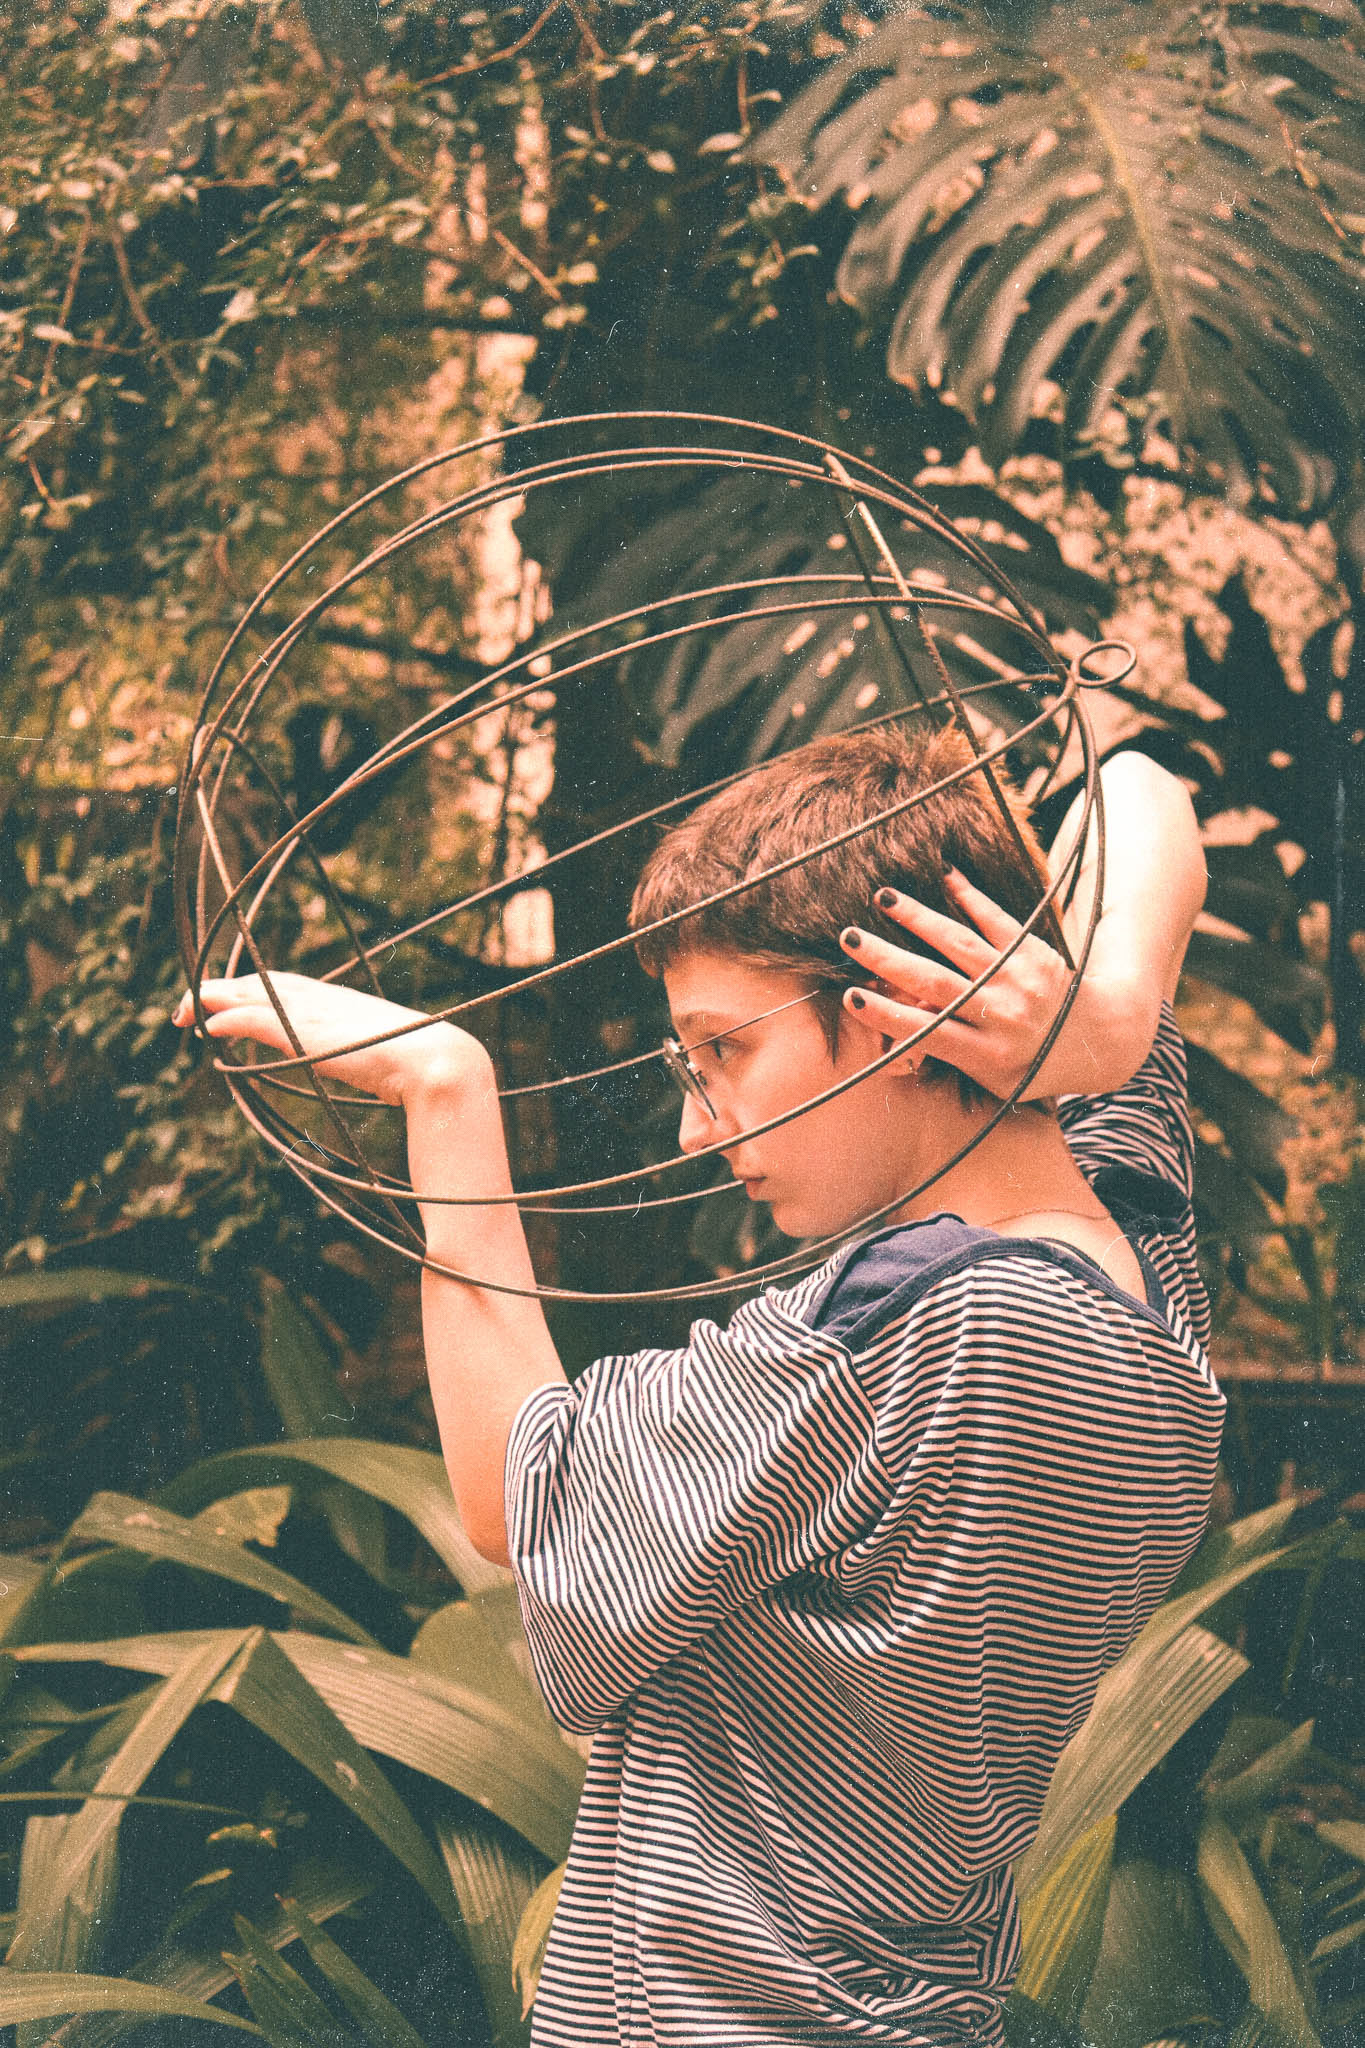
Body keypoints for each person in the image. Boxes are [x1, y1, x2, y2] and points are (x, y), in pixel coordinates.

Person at [174, 724, 1225, 2047]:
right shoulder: (1137, 1251)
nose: (697, 1122)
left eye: (721, 1048)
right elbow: (1139, 786)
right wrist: (1107, 1023)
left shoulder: (908, 1327)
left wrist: (445, 1090)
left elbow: (515, 1497)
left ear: (900, 1020)